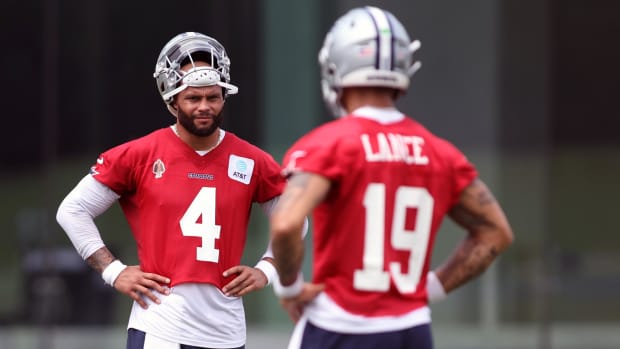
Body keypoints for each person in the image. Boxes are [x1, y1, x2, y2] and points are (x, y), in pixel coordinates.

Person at [269, 6, 514, 349]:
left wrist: (289, 288)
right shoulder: (440, 152)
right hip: (412, 330)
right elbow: (495, 232)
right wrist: (431, 288)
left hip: (340, 326)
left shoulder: (329, 144)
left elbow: (285, 222)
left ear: (337, 64)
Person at [57, 31, 289, 349]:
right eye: (194, 98)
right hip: (160, 327)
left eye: (213, 97)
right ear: (172, 100)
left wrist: (268, 268)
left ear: (225, 96)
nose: (204, 106)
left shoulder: (251, 159)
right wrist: (113, 270)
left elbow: (293, 216)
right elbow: (72, 210)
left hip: (227, 329)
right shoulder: (139, 155)